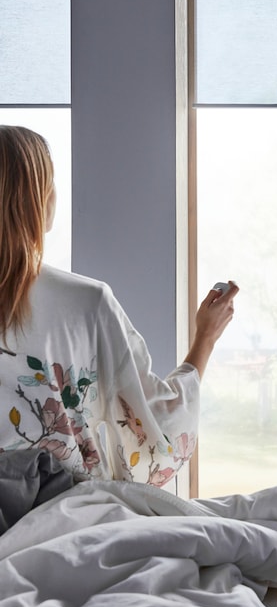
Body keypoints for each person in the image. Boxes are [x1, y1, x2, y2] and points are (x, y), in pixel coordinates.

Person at [0, 125, 237, 486]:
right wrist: (205, 337)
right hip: (65, 517)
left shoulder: (85, 302)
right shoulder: (86, 303)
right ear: (37, 200)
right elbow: (155, 433)